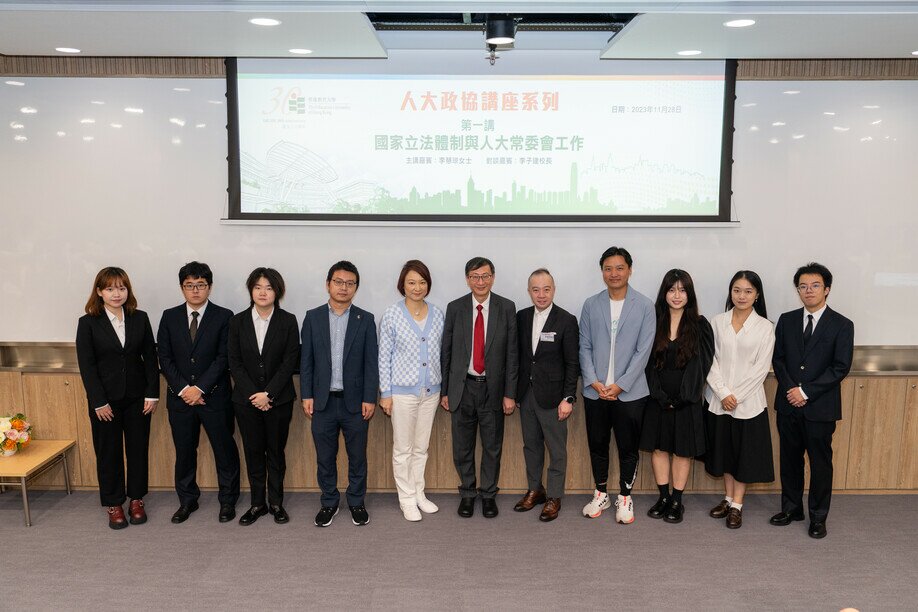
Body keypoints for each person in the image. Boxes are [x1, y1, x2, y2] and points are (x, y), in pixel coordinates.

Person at [770, 262, 853, 539]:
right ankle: (792, 508)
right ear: (797, 290)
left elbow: (840, 367)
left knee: (820, 464)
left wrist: (805, 392)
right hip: (788, 405)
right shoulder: (787, 319)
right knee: (790, 460)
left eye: (815, 285)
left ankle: (818, 517)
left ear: (827, 289)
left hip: (820, 408)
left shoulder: (842, 325)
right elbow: (778, 359)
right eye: (803, 286)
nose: (809, 291)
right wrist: (792, 388)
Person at [75, 267, 159, 529]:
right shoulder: (88, 323)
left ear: (128, 291)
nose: (116, 293)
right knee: (108, 452)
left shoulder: (140, 318)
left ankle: (136, 499)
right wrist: (98, 401)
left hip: (137, 398)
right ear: (99, 292)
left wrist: (152, 394)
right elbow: (87, 366)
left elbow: (150, 359)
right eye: (110, 288)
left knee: (137, 449)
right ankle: (113, 504)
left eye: (121, 288)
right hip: (105, 402)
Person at [157, 261, 240, 524]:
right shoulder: (169, 316)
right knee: (184, 452)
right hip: (181, 400)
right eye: (189, 285)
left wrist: (201, 388)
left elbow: (224, 357)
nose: (195, 291)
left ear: (210, 287)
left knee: (224, 451)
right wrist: (185, 389)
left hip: (215, 397)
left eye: (200, 285)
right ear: (182, 288)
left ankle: (227, 501)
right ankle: (187, 501)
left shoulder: (225, 316)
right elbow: (164, 356)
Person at [579, 246, 655, 524]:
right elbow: (584, 346)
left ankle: (625, 495)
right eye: (608, 268)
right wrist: (595, 382)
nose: (614, 273)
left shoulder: (645, 305)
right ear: (602, 272)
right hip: (595, 392)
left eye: (619, 268)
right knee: (597, 444)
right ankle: (600, 492)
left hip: (631, 393)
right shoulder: (591, 304)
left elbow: (643, 352)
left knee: (628, 447)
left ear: (630, 270)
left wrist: (621, 385)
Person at [301, 261, 379, 527]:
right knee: (325, 457)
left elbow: (371, 362)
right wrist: (306, 394)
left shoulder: (365, 319)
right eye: (338, 282)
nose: (343, 287)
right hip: (322, 402)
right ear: (328, 284)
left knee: (357, 456)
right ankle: (329, 502)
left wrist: (370, 398)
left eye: (350, 283)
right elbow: (307, 361)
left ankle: (356, 502)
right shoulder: (312, 317)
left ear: (355, 287)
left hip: (355, 403)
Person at [441, 256, 518, 519]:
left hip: (493, 390)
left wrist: (510, 393)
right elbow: (446, 352)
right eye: (475, 277)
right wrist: (445, 391)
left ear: (493, 278)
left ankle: (488, 495)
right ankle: (467, 493)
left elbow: (512, 355)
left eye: (485, 276)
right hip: (463, 388)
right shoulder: (455, 308)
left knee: (492, 446)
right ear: (467, 279)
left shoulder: (507, 308)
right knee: (462, 446)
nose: (481, 281)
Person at [640, 269, 714, 524]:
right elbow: (645, 362)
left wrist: (684, 396)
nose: (677, 295)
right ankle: (663, 497)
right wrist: (659, 394)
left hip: (687, 400)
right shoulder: (653, 321)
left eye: (682, 290)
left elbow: (702, 364)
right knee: (659, 449)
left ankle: (677, 500)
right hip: (657, 398)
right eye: (672, 289)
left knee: (682, 451)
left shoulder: (700, 325)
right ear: (664, 293)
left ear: (689, 294)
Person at [228, 267, 300, 526]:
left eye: (269, 287)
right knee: (253, 451)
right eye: (258, 287)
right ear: (251, 290)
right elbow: (234, 362)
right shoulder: (237, 321)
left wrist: (268, 393)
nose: (263, 292)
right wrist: (254, 394)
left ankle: (276, 503)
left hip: (278, 401)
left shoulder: (288, 320)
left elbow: (290, 360)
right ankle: (257, 504)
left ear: (277, 292)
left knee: (276, 452)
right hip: (246, 402)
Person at [704, 270, 775, 529]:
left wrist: (736, 396)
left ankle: (737, 504)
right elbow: (710, 360)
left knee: (743, 455)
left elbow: (761, 368)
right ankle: (727, 498)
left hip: (748, 404)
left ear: (757, 295)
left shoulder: (765, 327)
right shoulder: (716, 321)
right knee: (724, 452)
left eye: (748, 291)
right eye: (737, 290)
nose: (741, 295)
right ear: (730, 292)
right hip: (718, 400)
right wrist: (723, 393)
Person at [378, 260, 444, 522]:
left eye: (422, 282)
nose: (417, 288)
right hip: (401, 393)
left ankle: (419, 493)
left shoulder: (438, 314)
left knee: (421, 448)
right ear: (402, 285)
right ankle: (406, 498)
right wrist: (385, 393)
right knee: (403, 449)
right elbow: (384, 357)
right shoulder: (392, 315)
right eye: (412, 282)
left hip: (431, 392)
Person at [513, 269, 579, 522]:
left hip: (554, 398)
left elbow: (573, 363)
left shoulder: (566, 320)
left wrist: (568, 398)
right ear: (529, 291)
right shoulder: (521, 317)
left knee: (556, 449)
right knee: (531, 446)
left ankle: (554, 496)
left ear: (554, 290)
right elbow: (517, 357)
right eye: (536, 289)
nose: (541, 294)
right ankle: (535, 489)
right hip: (526, 395)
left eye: (546, 289)